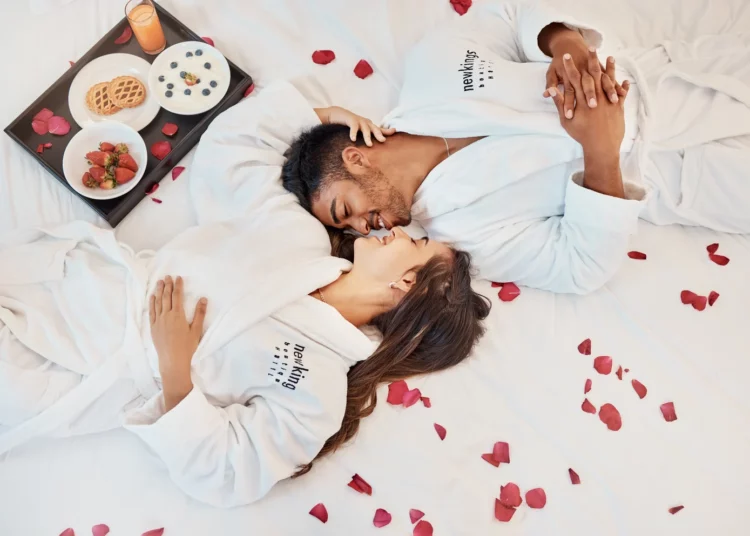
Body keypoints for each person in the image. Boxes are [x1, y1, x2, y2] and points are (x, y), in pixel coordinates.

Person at [0, 83, 491, 508]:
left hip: (73, 370)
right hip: (75, 277)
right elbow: (234, 147)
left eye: (416, 245)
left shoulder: (319, 388)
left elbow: (228, 474)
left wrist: (176, 373)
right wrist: (326, 117)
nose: (399, 231)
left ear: (406, 284)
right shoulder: (299, 235)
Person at [280, 0, 750, 294]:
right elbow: (579, 267)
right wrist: (601, 152)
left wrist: (564, 44)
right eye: (352, 229)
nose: (365, 229)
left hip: (680, 76)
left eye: (346, 211)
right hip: (698, 181)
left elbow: (509, 13)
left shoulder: (431, 71)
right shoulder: (464, 233)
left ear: (355, 158)